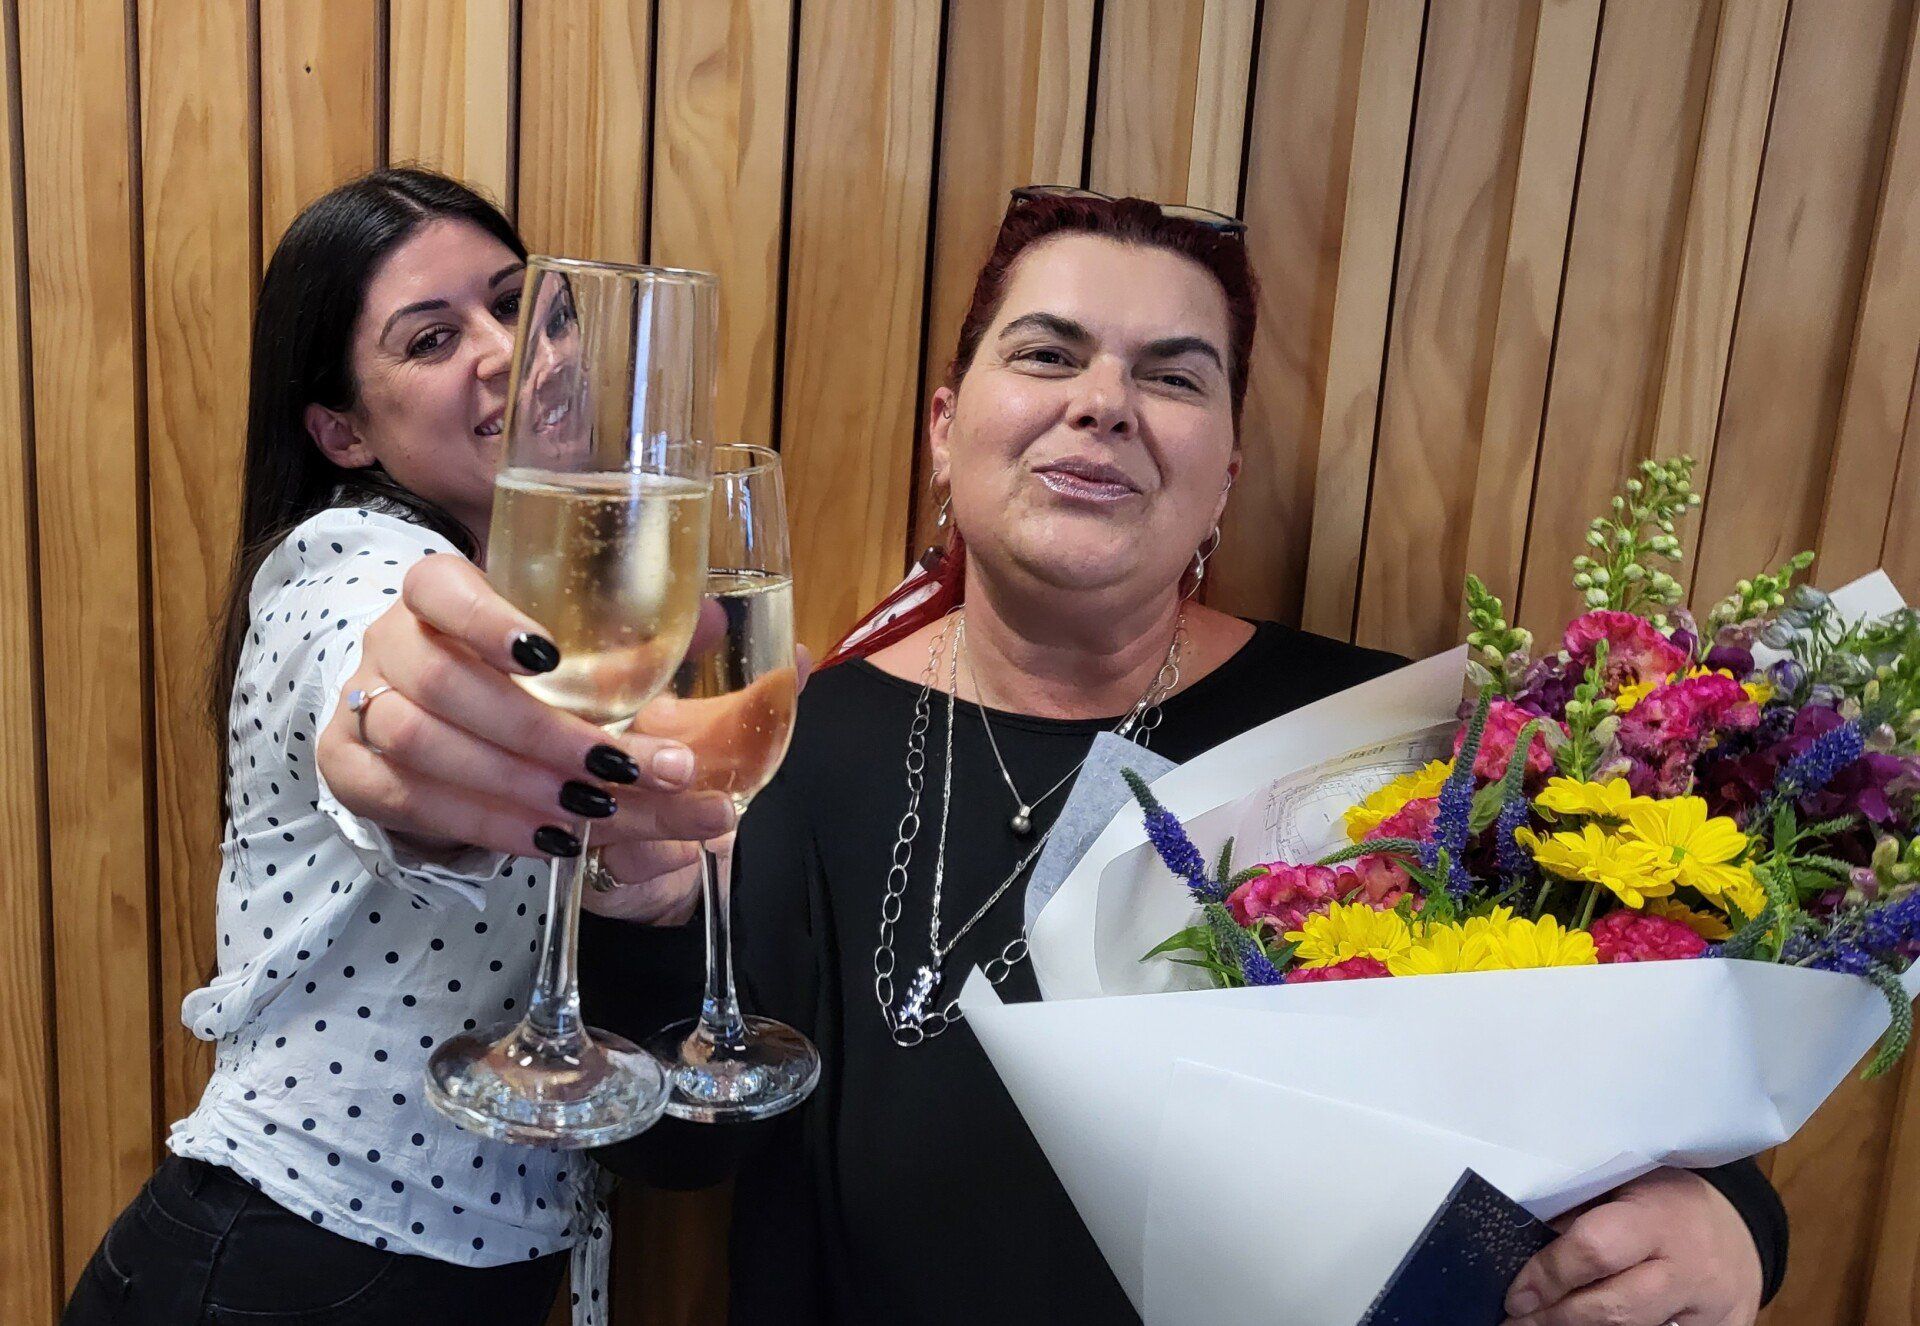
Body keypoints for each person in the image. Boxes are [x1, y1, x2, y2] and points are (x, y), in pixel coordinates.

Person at [574, 189, 1789, 1326]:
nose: (1102, 401)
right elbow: (685, 1151)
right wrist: (630, 920)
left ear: (1225, 475)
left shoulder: (1399, 738)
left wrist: (1730, 1223)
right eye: (1047, 353)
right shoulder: (792, 735)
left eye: (1172, 375)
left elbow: (1603, 1091)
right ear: (945, 431)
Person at [63, 168, 727, 1326]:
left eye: (528, 306)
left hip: (498, 1280)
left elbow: (676, 1133)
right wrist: (403, 754)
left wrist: (658, 908)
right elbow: (377, 653)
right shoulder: (341, 563)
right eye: (432, 339)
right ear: (342, 430)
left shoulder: (619, 617)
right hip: (285, 1265)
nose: (514, 352)